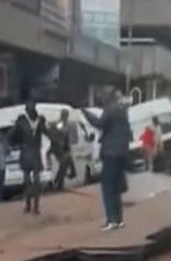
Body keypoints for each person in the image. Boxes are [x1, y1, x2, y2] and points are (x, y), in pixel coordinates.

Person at [82, 89, 132, 230]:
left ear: (107, 99)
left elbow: (99, 123)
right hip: (121, 153)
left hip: (111, 153)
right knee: (116, 188)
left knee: (108, 188)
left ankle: (111, 220)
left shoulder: (110, 110)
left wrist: (86, 113)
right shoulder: (123, 112)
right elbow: (128, 133)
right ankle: (119, 219)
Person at [10, 98, 49, 214]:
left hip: (35, 152)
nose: (31, 108)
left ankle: (36, 207)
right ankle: (28, 205)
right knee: (27, 181)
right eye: (29, 106)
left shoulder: (40, 120)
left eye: (32, 106)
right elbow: (13, 134)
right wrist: (9, 143)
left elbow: (47, 132)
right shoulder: (21, 121)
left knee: (36, 181)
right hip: (26, 152)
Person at [52, 108, 76, 190]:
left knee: (64, 165)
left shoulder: (65, 124)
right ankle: (58, 181)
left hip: (65, 148)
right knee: (64, 163)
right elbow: (58, 133)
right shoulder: (60, 123)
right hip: (59, 148)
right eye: (65, 115)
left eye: (67, 115)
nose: (66, 117)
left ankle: (59, 183)